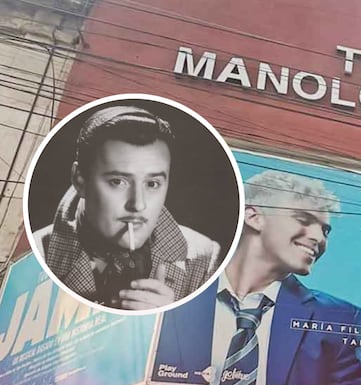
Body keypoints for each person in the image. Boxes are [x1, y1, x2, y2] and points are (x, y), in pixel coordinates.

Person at [154, 169, 361, 385]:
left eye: (325, 230)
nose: (319, 238)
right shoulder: (176, 293)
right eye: (304, 219)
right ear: (253, 217)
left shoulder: (338, 317)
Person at [32, 105, 221, 310]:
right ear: (80, 180)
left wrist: (171, 316)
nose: (138, 204)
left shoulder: (203, 256)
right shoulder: (35, 259)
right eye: (118, 182)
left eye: (152, 184)